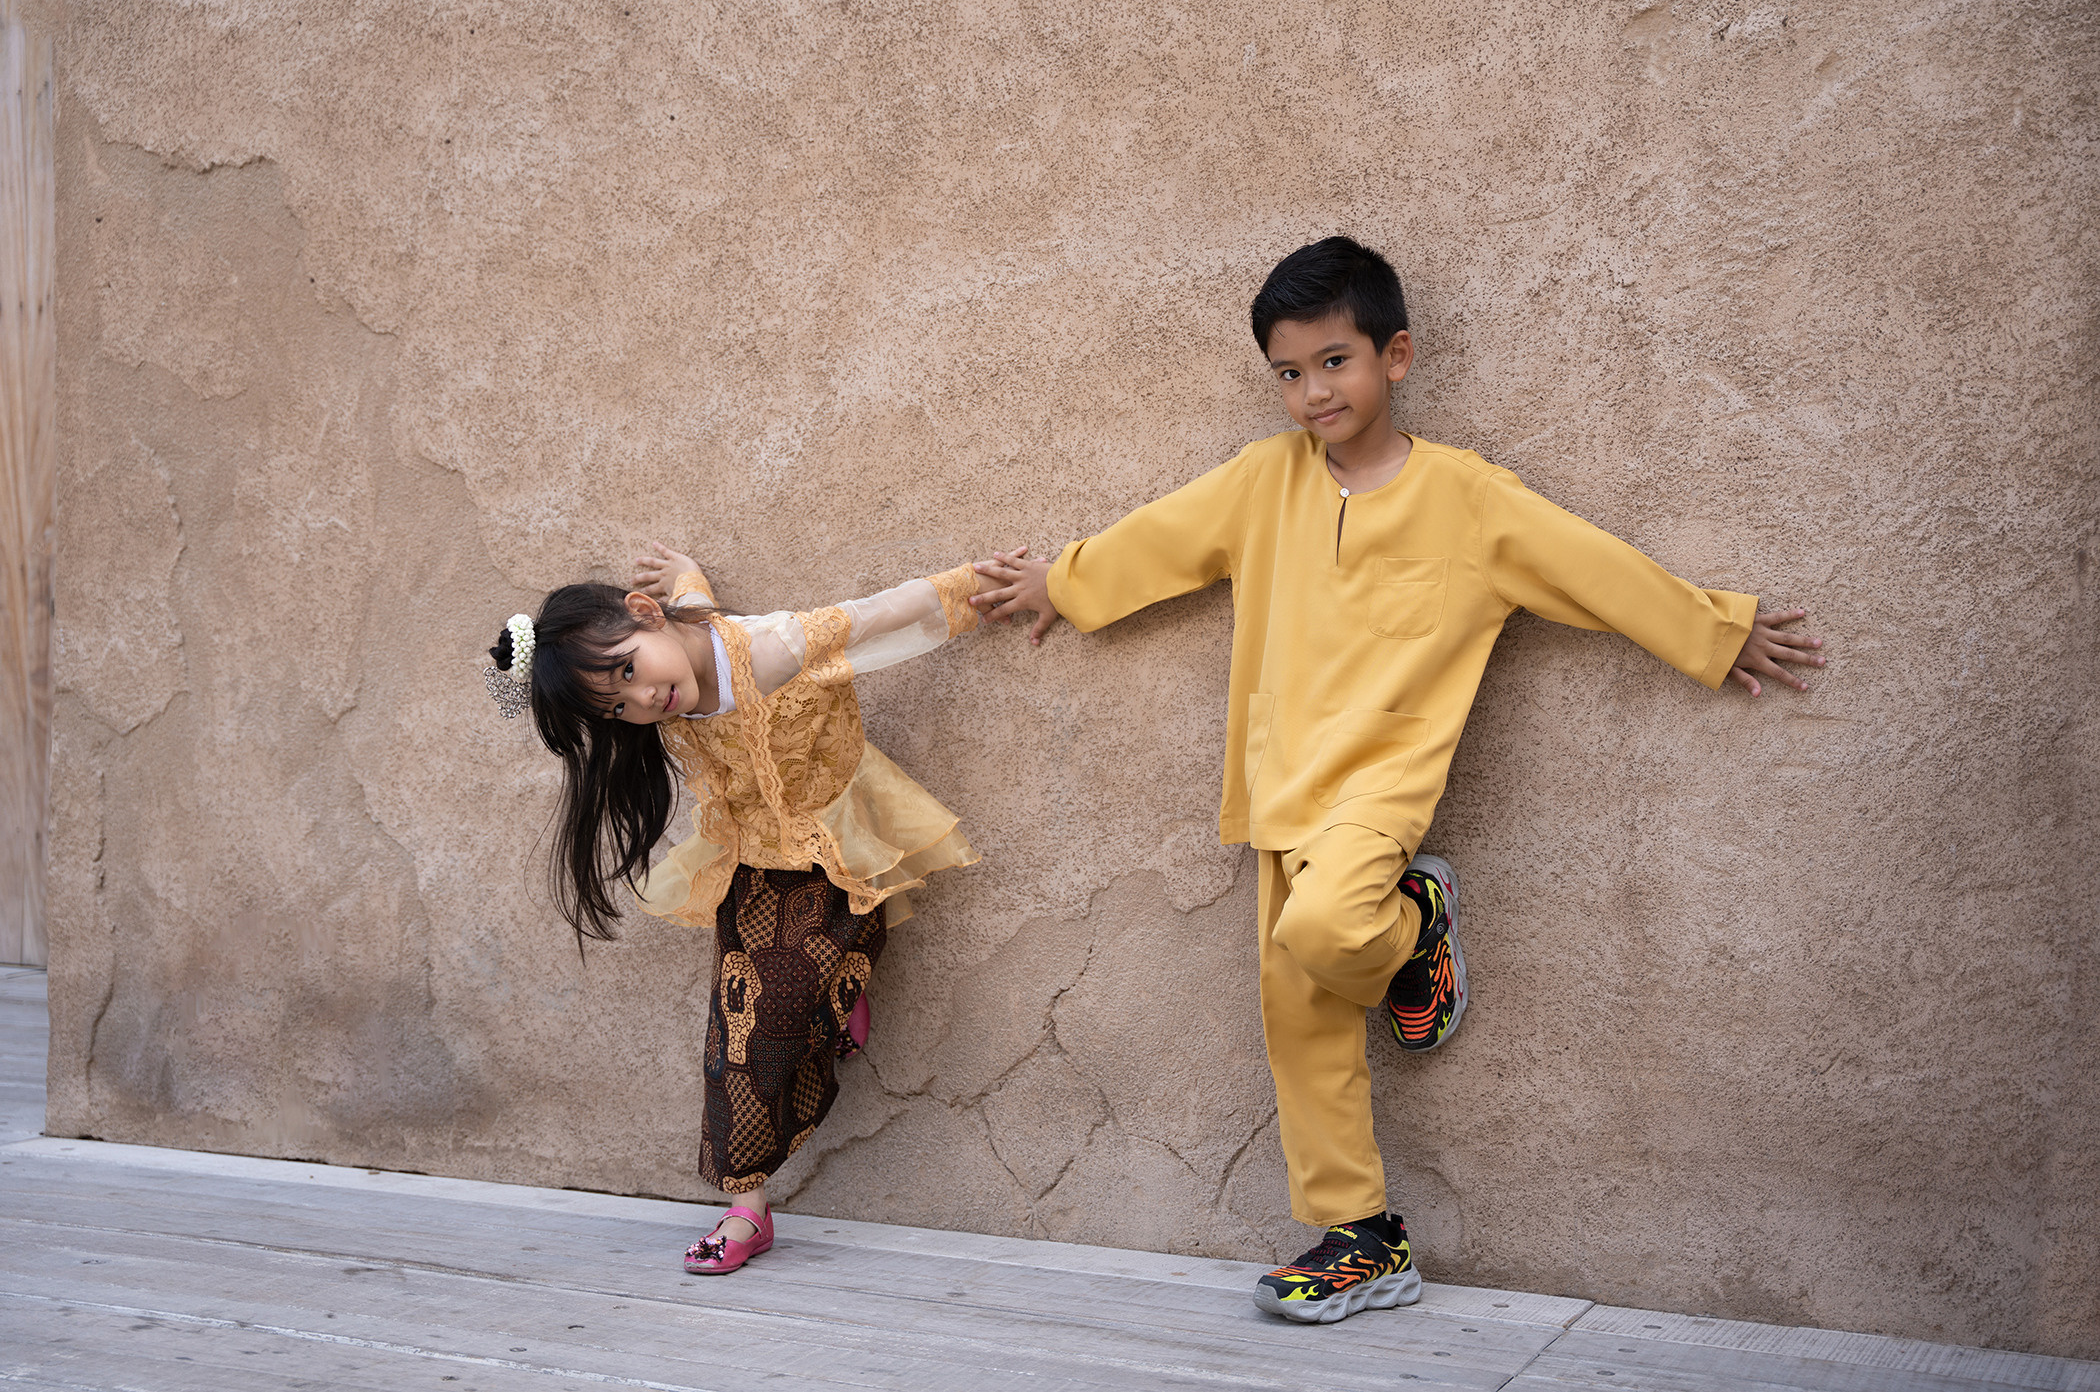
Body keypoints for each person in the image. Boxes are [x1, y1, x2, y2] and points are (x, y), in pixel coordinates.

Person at [972, 236, 1826, 1325]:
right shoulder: (1261, 483)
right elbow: (1162, 542)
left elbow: (1592, 567)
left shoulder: (1469, 500)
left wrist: (1715, 632)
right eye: (1289, 373)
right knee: (1300, 1018)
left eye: (1335, 362)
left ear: (1397, 356)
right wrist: (1064, 581)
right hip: (1282, 783)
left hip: (1383, 790)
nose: (1313, 392)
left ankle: (1414, 920)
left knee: (1328, 933)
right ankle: (1363, 1238)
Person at [482, 543, 1016, 1275]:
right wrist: (686, 580)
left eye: (629, 670)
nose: (641, 700)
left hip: (834, 839)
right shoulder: (672, 654)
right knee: (737, 1035)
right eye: (617, 704)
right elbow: (694, 620)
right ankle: (747, 1208)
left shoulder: (777, 646)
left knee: (800, 988)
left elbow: (881, 614)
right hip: (749, 863)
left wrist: (982, 585)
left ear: (644, 616)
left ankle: (840, 994)